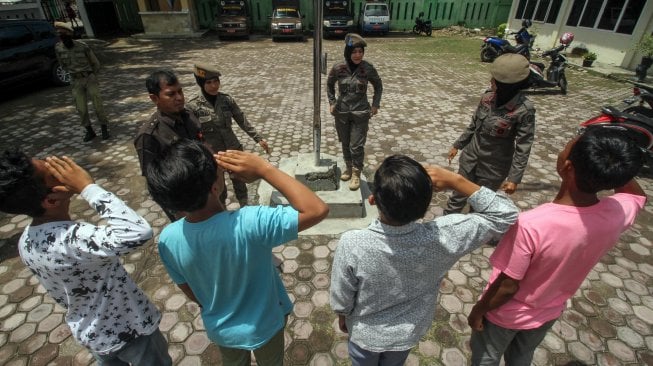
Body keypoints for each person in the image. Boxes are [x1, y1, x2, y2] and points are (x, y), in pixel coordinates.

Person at [467, 127, 647, 366]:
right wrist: (616, 163)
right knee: (521, 357)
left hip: (505, 315)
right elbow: (637, 196)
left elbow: (508, 286)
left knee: (485, 358)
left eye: (567, 147)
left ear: (568, 166)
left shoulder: (531, 224)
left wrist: (479, 309)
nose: (562, 150)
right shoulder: (617, 212)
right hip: (549, 311)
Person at [145, 139, 329, 366]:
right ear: (215, 186)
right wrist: (265, 169)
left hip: (222, 329)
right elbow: (317, 209)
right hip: (266, 324)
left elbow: (187, 287)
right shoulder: (250, 222)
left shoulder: (167, 239)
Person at [330, 155, 518, 366]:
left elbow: (342, 294)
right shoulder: (446, 235)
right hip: (407, 334)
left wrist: (343, 314)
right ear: (426, 205)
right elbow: (506, 215)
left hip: (365, 336)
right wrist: (455, 180)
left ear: (373, 199)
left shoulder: (353, 243)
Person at [0, 149, 171, 366]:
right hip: (131, 330)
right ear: (51, 200)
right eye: (53, 172)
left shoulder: (25, 241)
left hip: (91, 333)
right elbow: (137, 232)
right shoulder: (73, 239)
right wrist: (87, 188)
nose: (64, 169)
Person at [445, 53, 535, 214]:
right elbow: (473, 125)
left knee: (480, 203)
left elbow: (523, 147)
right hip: (470, 158)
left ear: (506, 85)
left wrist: (514, 178)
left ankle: (474, 231)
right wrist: (457, 145)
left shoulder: (524, 110)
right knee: (458, 196)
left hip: (494, 168)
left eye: (494, 80)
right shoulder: (487, 98)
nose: (490, 81)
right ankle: (446, 223)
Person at [186, 63, 270, 207]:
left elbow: (241, 119)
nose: (214, 86)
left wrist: (258, 138)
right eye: (209, 82)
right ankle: (221, 211)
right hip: (213, 155)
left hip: (233, 149)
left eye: (216, 81)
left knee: (240, 182)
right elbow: (193, 135)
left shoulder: (226, 100)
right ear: (201, 84)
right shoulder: (193, 106)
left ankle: (244, 208)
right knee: (218, 187)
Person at [134, 69, 203, 220]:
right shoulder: (149, 136)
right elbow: (155, 182)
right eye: (171, 94)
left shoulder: (189, 116)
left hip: (202, 189)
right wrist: (177, 213)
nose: (179, 98)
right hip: (182, 202)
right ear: (154, 98)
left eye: (180, 92)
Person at [327, 33, 383, 191]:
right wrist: (332, 102)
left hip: (360, 113)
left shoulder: (368, 68)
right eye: (354, 52)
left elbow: (378, 86)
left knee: (356, 146)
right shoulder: (338, 67)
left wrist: (375, 105)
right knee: (345, 143)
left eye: (360, 51)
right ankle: (349, 168)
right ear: (348, 52)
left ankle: (356, 174)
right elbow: (329, 84)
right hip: (342, 113)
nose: (358, 55)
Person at [54, 22, 110, 142]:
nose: (62, 38)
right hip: (75, 80)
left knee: (97, 105)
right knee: (81, 108)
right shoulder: (58, 48)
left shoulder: (82, 46)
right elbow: (62, 64)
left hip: (89, 78)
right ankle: (89, 131)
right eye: (60, 35)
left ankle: (104, 128)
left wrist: (91, 75)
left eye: (64, 35)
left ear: (69, 35)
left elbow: (95, 63)